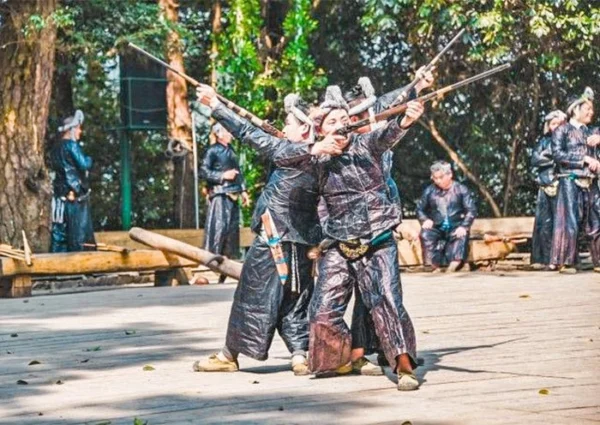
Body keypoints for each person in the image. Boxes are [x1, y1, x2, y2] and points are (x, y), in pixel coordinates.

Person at [193, 86, 343, 375]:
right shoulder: (323, 156)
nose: (284, 128)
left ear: (304, 129)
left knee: (252, 295)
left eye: (289, 124)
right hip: (303, 240)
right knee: (296, 297)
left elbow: (247, 132)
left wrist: (216, 105)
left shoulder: (290, 151)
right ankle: (300, 355)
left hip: (274, 236)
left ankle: (229, 355)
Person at [309, 85, 423, 391]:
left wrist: (406, 120)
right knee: (322, 307)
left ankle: (404, 366)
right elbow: (286, 163)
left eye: (345, 120)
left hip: (377, 237)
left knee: (387, 298)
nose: (341, 125)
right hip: (339, 241)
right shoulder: (313, 158)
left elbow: (387, 134)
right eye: (332, 121)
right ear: (320, 130)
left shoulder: (365, 144)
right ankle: (340, 359)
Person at [342, 72, 435, 374]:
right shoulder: (351, 142)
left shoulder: (375, 129)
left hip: (382, 215)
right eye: (362, 115)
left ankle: (389, 349)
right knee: (368, 292)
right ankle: (360, 350)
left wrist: (417, 85)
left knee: (387, 291)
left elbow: (390, 105)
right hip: (357, 223)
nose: (372, 116)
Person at [550, 87, 600, 274]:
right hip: (570, 181)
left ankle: (598, 261)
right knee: (570, 221)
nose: (591, 112)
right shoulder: (562, 130)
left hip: (591, 181)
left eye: (592, 109)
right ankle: (567, 262)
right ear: (575, 110)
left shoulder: (594, 131)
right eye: (587, 109)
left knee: (596, 221)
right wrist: (583, 159)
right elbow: (558, 155)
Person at [200, 124, 250, 283]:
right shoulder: (212, 151)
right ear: (219, 134)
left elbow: (238, 172)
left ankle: (228, 265)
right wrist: (222, 175)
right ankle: (211, 263)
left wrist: (243, 191)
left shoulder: (231, 150)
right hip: (219, 194)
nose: (230, 134)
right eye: (227, 131)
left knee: (232, 231)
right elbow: (203, 171)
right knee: (218, 229)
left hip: (233, 194)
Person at [416, 161, 477, 272]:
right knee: (426, 234)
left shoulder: (461, 189)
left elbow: (471, 210)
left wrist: (464, 226)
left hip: (456, 225)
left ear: (450, 175)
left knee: (461, 235)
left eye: (441, 177)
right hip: (436, 226)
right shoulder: (429, 190)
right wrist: (425, 219)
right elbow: (420, 208)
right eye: (435, 178)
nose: (438, 181)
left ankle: (454, 265)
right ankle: (432, 265)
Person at [49, 110, 96, 253]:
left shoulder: (55, 148)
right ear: (72, 129)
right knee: (78, 234)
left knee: (59, 232)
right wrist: (89, 159)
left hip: (60, 196)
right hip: (75, 195)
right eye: (78, 128)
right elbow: (84, 164)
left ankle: (56, 260)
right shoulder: (71, 145)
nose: (80, 131)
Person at [530, 110, 567, 270]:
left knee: (561, 223)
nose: (556, 126)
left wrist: (550, 156)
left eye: (559, 123)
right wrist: (553, 157)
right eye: (553, 124)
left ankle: (559, 259)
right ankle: (544, 259)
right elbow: (534, 159)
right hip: (544, 184)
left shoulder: (568, 140)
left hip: (562, 184)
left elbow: (566, 158)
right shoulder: (543, 141)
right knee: (544, 224)